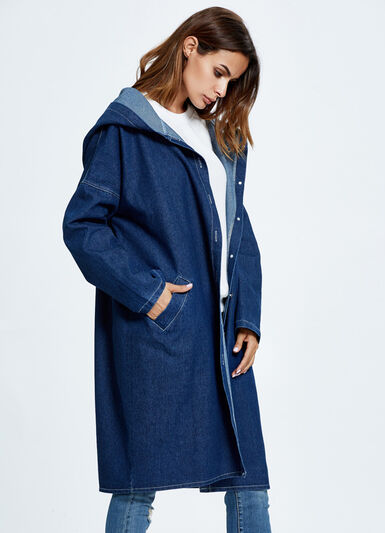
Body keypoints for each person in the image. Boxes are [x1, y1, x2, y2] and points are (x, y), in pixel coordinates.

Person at [63, 6, 272, 532]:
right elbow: (83, 226)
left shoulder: (218, 139)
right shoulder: (126, 130)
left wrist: (247, 316)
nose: (222, 90)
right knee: (138, 486)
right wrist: (150, 294)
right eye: (219, 72)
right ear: (190, 47)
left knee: (250, 485)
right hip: (161, 330)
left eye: (232, 81)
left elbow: (238, 231)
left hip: (222, 334)